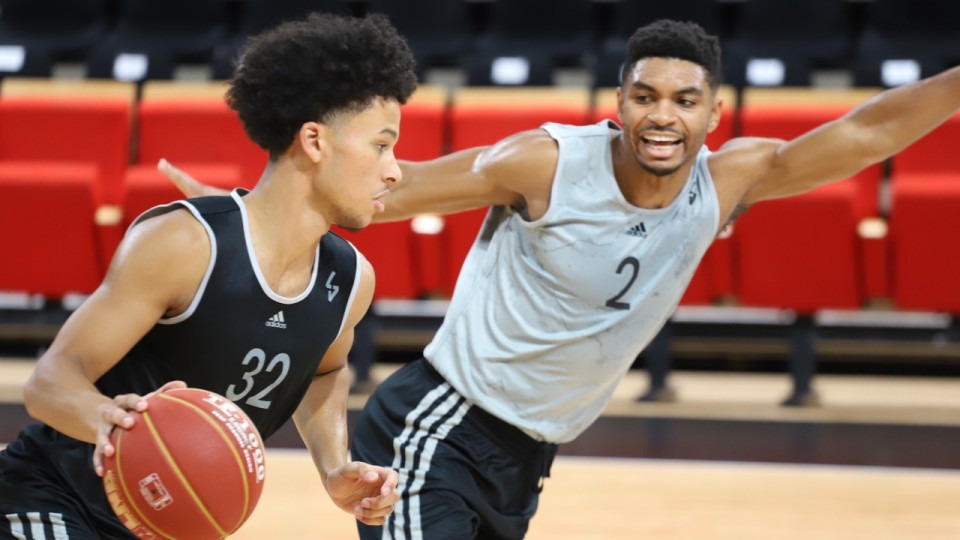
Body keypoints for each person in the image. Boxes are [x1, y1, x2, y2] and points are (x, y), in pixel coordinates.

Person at [163, 19, 960, 540]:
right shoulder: (545, 163)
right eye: (645, 96)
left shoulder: (728, 180)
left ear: (714, 114)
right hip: (439, 428)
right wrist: (249, 210)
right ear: (619, 102)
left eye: (685, 101)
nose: (663, 115)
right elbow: (395, 190)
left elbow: (867, 133)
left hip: (529, 455)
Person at [0, 12, 419, 538]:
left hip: (170, 527)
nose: (394, 170)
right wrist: (105, 418)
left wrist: (334, 466)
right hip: (54, 497)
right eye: (381, 145)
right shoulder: (185, 242)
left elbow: (324, 372)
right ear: (314, 141)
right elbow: (50, 381)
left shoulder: (351, 278)